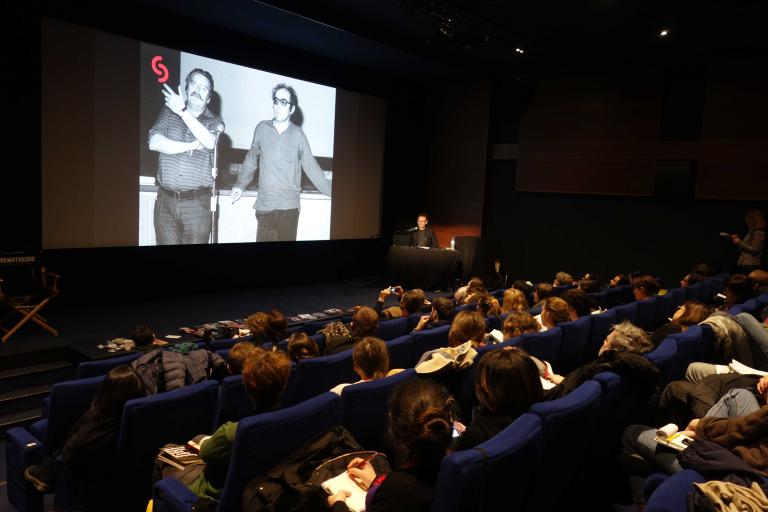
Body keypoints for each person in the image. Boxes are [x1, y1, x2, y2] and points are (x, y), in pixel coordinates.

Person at [167, 350, 292, 501]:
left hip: (214, 495)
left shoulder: (233, 431)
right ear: (284, 385)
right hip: (261, 490)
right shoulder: (295, 419)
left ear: (247, 387)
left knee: (165, 454)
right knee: (200, 438)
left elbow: (206, 454)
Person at [25, 366, 146, 511]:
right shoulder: (147, 424)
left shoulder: (90, 434)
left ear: (105, 394)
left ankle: (47, 472)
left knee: (59, 455)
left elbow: (69, 458)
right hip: (135, 495)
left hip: (92, 496)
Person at [327, 378, 454, 512]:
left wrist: (338, 504)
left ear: (397, 434)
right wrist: (375, 482)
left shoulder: (395, 493)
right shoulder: (463, 464)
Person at [231, 83, 333, 242]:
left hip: (289, 209)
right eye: (276, 101)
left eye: (284, 102)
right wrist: (240, 184)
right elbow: (251, 160)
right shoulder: (262, 128)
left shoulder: (298, 134)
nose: (278, 106)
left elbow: (311, 167)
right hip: (265, 207)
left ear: (292, 109)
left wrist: (333, 192)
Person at [149, 68, 222, 245]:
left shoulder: (215, 121)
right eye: (194, 84)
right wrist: (189, 146)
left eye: (204, 88)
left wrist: (182, 111)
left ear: (209, 98)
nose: (198, 89)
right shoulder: (167, 113)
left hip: (197, 206)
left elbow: (210, 142)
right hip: (165, 202)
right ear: (187, 88)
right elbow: (154, 142)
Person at [452, 346, 543, 451]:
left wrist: (456, 431)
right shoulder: (539, 411)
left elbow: (455, 443)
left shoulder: (477, 433)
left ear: (494, 389)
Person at [544, 320, 659, 401]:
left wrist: (564, 383)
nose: (603, 342)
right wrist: (565, 381)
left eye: (607, 340)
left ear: (614, 350)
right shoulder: (633, 369)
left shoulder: (596, 369)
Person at [731, 209, 766, 274]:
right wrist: (737, 240)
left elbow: (755, 250)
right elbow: (742, 248)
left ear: (753, 220)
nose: (746, 222)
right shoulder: (750, 232)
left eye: (748, 220)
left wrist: (739, 242)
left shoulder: (759, 233)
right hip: (744, 263)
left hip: (751, 264)